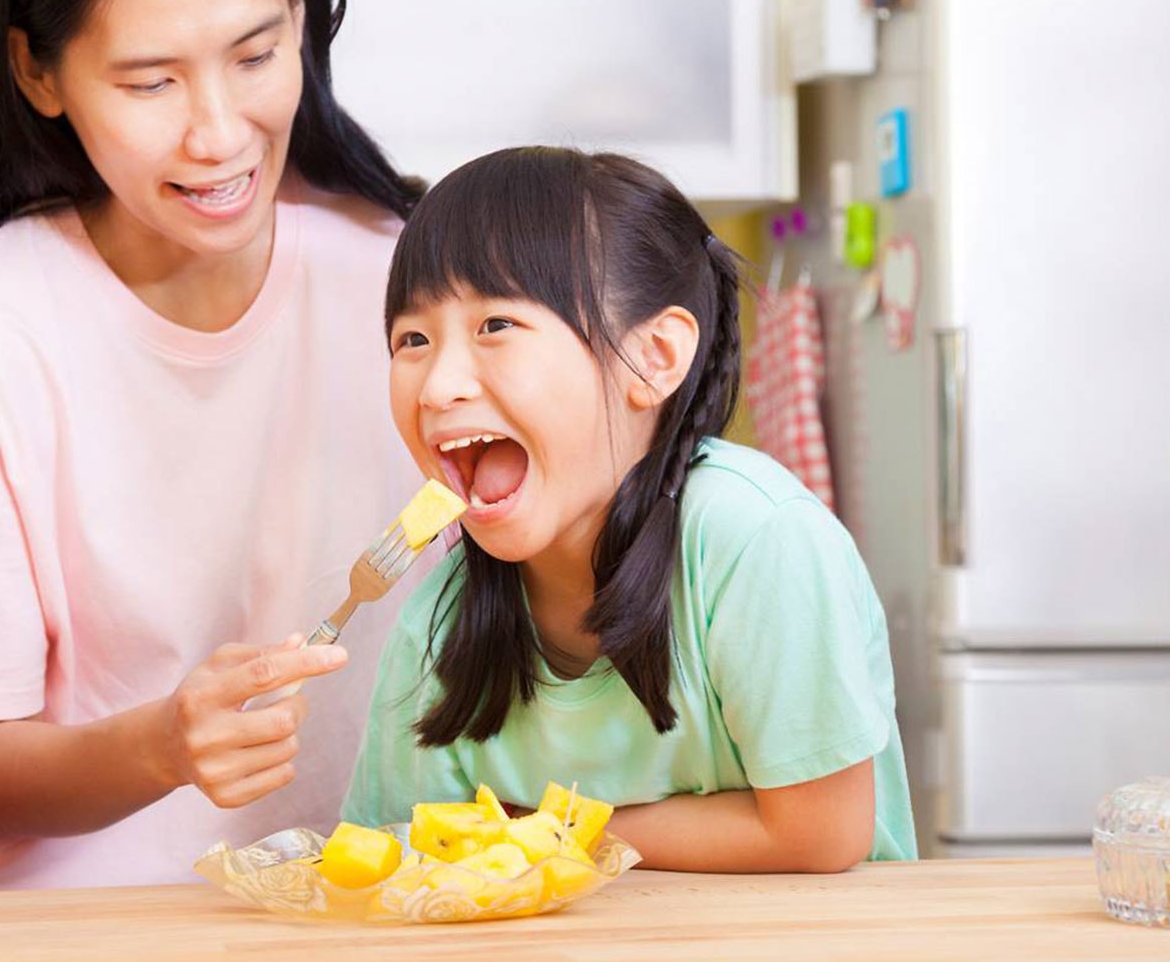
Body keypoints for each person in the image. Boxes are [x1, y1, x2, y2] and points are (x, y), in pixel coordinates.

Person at [0, 0, 426, 892]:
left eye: (255, 57)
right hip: (38, 922)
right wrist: (163, 746)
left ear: (302, 19)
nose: (217, 133)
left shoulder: (405, 292)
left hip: (328, 902)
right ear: (37, 72)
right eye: (149, 82)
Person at [343, 147, 918, 871]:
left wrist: (540, 830)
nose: (437, 387)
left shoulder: (755, 540)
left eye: (495, 326)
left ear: (651, 357)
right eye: (412, 340)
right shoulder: (438, 620)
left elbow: (819, 832)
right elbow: (407, 856)